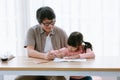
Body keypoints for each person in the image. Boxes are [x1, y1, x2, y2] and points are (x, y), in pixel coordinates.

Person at [16, 6, 68, 80]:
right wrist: (45, 56)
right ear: (40, 23)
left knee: (58, 78)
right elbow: (30, 51)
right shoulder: (32, 31)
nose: (50, 26)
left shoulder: (60, 32)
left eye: (52, 23)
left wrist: (61, 54)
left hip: (56, 67)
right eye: (47, 24)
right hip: (36, 67)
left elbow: (69, 49)